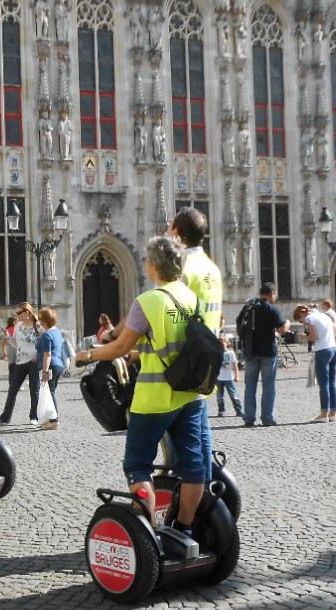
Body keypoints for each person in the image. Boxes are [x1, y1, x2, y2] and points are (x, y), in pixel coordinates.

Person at [74, 236, 208, 543]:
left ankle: (147, 534)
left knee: (137, 466)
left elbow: (119, 347)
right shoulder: (190, 297)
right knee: (193, 466)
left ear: (152, 266)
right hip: (190, 394)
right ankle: (184, 527)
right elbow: (170, 341)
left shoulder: (148, 302)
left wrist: (88, 355)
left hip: (154, 398)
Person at [170, 207, 223, 479]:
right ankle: (206, 483)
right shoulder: (212, 268)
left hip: (185, 359)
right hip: (208, 356)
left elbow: (172, 314)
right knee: (201, 430)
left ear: (177, 234)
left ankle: (191, 493)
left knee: (183, 437)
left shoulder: (183, 268)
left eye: (170, 229)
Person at [242, 283, 290, 426]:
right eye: (275, 295)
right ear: (271, 294)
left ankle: (249, 417)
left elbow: (240, 325)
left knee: (250, 385)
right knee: (268, 386)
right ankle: (267, 418)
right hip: (268, 352)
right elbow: (281, 329)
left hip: (250, 350)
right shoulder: (272, 308)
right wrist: (288, 323)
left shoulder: (249, 307)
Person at [0, 303, 42, 425]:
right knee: (12, 389)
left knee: (34, 390)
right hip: (20, 361)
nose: (17, 316)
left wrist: (37, 355)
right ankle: (5, 418)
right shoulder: (18, 327)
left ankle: (34, 416)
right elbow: (16, 344)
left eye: (19, 313)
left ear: (27, 313)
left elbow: (44, 344)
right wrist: (8, 338)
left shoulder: (38, 326)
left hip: (33, 362)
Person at [293, 304, 336, 423]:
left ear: (302, 315)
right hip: (334, 349)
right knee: (332, 383)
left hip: (322, 351)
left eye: (300, 321)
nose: (303, 323)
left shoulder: (309, 318)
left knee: (323, 383)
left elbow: (313, 337)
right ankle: (333, 413)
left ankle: (324, 413)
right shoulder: (325, 316)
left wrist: (304, 336)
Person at [34, 307, 65, 431]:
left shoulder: (46, 335)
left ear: (44, 321)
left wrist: (45, 371)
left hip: (50, 365)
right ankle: (51, 418)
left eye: (40, 319)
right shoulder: (56, 331)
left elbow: (47, 354)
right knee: (50, 391)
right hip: (58, 364)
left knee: (50, 392)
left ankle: (54, 420)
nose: (39, 321)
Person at [215, 335, 242, 417]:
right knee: (220, 396)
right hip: (219, 378)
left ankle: (239, 410)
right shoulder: (216, 353)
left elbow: (235, 364)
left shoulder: (230, 353)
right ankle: (221, 410)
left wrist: (237, 375)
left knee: (233, 395)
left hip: (229, 377)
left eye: (223, 343)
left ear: (226, 343)